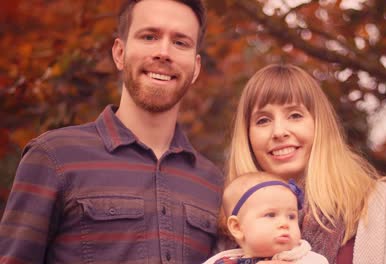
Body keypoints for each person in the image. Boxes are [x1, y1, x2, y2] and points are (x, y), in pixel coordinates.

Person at [0, 0, 223, 263]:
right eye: (149, 36)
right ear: (119, 53)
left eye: (180, 42)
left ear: (196, 67)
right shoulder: (54, 157)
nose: (164, 52)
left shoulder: (213, 184)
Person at [222, 64, 386, 264]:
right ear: (247, 135)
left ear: (319, 124)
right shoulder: (230, 218)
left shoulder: (381, 202)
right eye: (263, 120)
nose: (279, 131)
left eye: (295, 115)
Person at [204, 172, 328, 264]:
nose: (285, 223)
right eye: (270, 215)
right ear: (237, 227)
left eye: (291, 216)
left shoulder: (311, 260)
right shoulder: (220, 261)